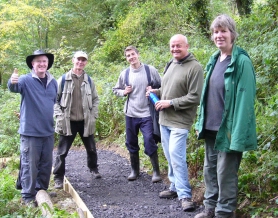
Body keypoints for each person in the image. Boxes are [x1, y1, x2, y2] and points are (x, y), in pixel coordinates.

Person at [194, 14, 257, 218]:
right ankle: (210, 209)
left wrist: (237, 136)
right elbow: (207, 96)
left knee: (225, 175)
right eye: (216, 31)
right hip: (211, 128)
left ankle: (224, 213)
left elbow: (245, 103)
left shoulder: (241, 62)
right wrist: (200, 121)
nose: (219, 35)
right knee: (209, 170)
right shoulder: (214, 60)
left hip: (229, 130)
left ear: (232, 34)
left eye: (223, 31)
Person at [147, 34, 204, 212]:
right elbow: (167, 88)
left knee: (177, 156)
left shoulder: (195, 68)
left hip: (180, 121)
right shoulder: (171, 64)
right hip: (164, 119)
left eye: (178, 46)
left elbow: (195, 97)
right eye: (172, 46)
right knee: (170, 156)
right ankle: (174, 187)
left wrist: (170, 103)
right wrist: (155, 91)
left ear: (187, 46)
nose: (175, 49)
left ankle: (185, 194)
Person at [8, 49, 58, 206]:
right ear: (32, 64)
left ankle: (41, 190)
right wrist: (12, 81)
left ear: (48, 63)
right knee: (30, 165)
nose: (42, 64)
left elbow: (55, 103)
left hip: (48, 131)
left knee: (45, 164)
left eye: (44, 61)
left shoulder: (53, 82)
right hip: (30, 132)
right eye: (38, 61)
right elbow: (13, 87)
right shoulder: (25, 80)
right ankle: (28, 196)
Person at [112, 46, 162, 183]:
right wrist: (124, 92)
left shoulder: (150, 70)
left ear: (138, 54)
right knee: (131, 142)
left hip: (147, 114)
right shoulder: (125, 74)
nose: (131, 57)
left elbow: (163, 86)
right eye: (128, 56)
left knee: (149, 141)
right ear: (126, 58)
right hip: (130, 113)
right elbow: (115, 89)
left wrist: (155, 90)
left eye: (133, 54)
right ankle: (135, 170)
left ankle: (156, 171)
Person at [53, 51, 100, 189]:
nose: (80, 62)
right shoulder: (62, 79)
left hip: (85, 121)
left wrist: (93, 115)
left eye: (83, 60)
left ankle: (93, 169)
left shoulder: (89, 80)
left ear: (86, 62)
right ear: (73, 60)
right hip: (68, 122)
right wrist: (59, 115)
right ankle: (58, 177)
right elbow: (53, 100)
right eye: (78, 60)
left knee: (91, 149)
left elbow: (95, 99)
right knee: (62, 152)